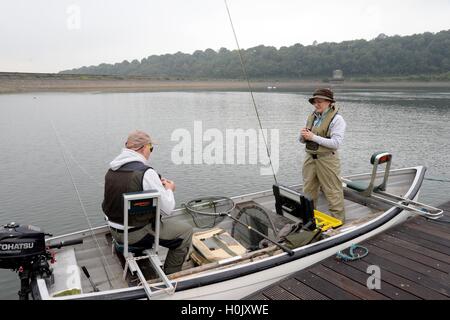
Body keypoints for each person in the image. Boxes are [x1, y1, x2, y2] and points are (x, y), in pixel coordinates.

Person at [102, 130, 193, 274]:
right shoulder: (146, 173)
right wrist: (169, 189)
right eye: (151, 148)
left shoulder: (112, 170)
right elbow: (167, 209)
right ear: (144, 147)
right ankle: (173, 275)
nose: (150, 152)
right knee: (186, 232)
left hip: (114, 231)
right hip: (135, 234)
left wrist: (157, 184)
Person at [299, 88, 346, 222]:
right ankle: (309, 222)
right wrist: (303, 136)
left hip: (327, 160)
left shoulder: (338, 119)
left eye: (320, 101)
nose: (316, 104)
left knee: (333, 192)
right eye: (315, 102)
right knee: (308, 191)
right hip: (310, 158)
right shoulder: (312, 117)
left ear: (329, 103)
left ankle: (338, 225)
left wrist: (313, 137)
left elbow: (336, 143)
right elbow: (302, 140)